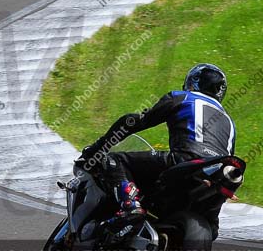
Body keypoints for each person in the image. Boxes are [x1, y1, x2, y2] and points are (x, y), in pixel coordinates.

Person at [76, 63, 235, 239]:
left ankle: (130, 206)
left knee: (115, 160)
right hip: (218, 173)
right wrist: (211, 221)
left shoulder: (183, 97)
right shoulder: (229, 122)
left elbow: (135, 122)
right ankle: (209, 223)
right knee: (219, 191)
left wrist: (99, 147)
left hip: (185, 160)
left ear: (193, 82)